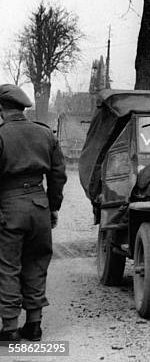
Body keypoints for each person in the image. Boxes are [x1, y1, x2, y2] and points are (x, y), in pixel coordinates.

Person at [0, 84, 66, 343]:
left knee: (8, 267)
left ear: (2, 109)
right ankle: (34, 325)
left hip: (9, 207)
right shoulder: (44, 133)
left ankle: (9, 328)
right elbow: (58, 175)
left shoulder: (2, 135)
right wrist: (53, 207)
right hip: (40, 206)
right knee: (37, 263)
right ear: (22, 107)